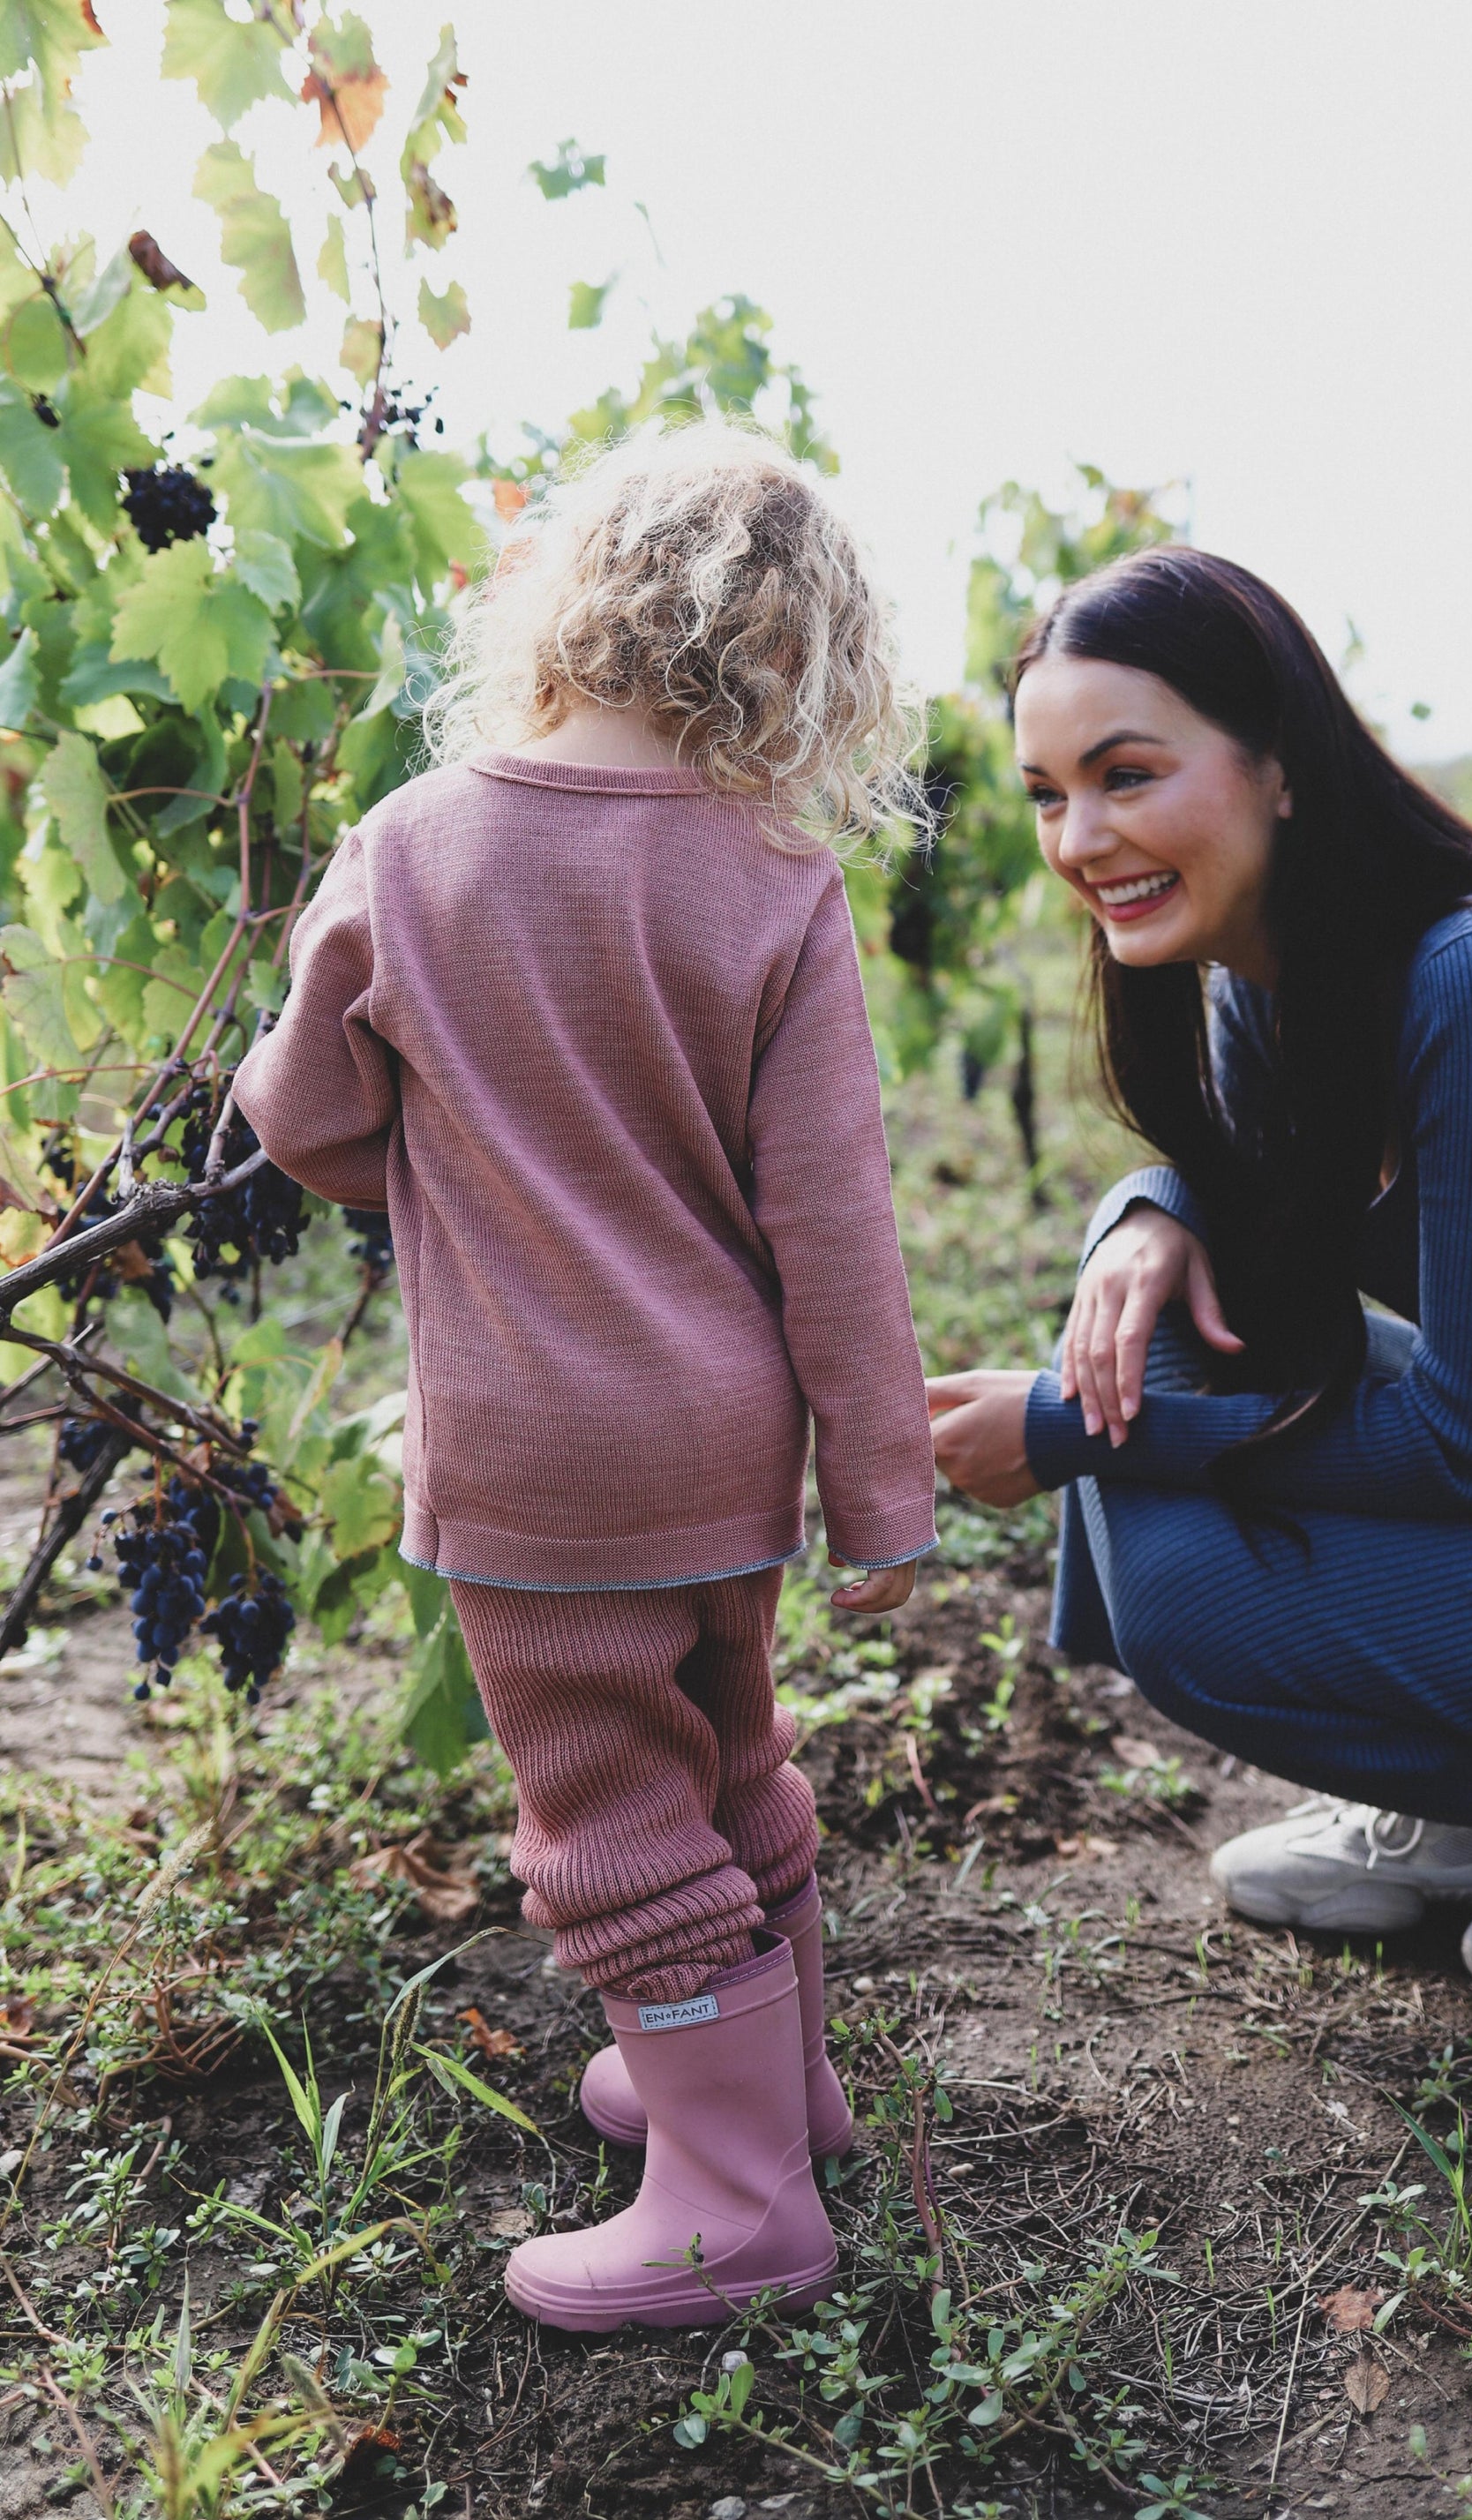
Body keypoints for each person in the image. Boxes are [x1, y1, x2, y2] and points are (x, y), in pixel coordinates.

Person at [235, 423, 937, 2329]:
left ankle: (732, 2199)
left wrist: (446, 1179)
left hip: (539, 1454)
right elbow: (835, 1225)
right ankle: (770, 2094)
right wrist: (879, 1491)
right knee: (728, 1755)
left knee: (613, 1816)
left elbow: (302, 1113)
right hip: (724, 1442)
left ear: (571, 600)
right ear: (808, 662)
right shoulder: (779, 880)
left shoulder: (415, 844)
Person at [928, 544, 1472, 2030]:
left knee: (1184, 1569)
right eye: (1050, 792)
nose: (1080, 836)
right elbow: (1253, 1214)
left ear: (1281, 768)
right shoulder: (1272, 977)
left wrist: (1067, 1434)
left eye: (1127, 773)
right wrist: (1149, 1207)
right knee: (1150, 1340)